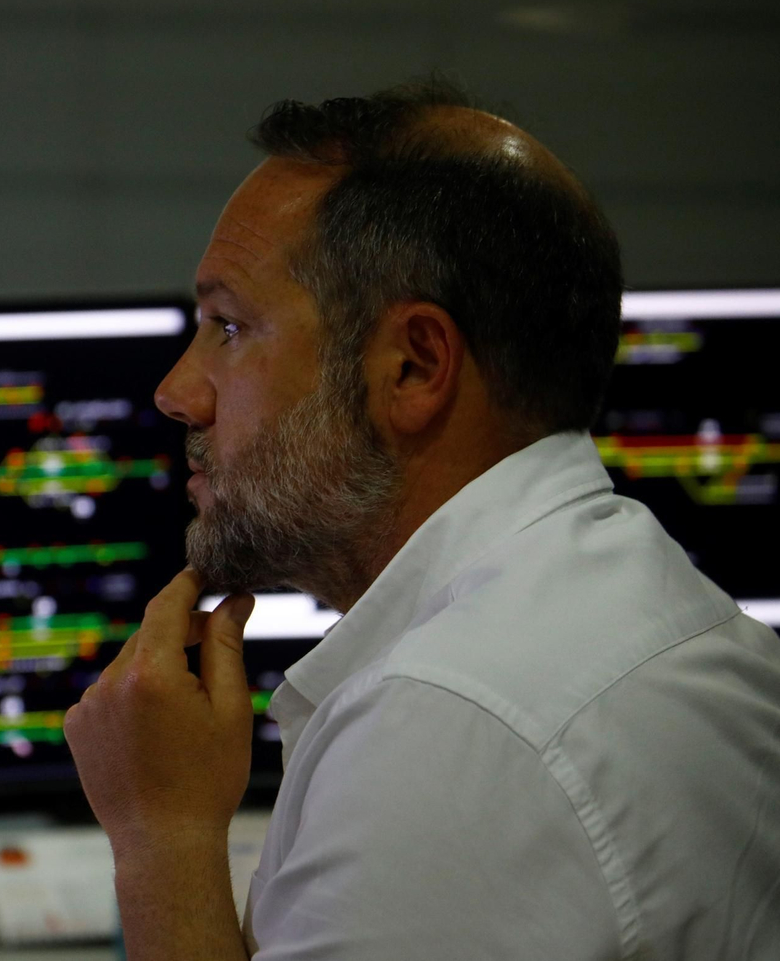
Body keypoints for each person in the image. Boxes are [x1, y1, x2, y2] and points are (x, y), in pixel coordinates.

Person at [63, 80, 780, 960]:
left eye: (229, 326)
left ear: (412, 366)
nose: (175, 393)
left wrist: (159, 840)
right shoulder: (666, 612)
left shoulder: (446, 735)